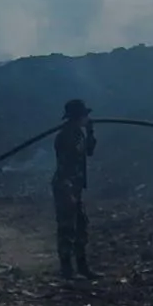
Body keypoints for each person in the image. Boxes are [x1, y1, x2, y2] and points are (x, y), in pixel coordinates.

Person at [52, 99, 96, 280]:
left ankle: (82, 267)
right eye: (85, 115)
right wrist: (68, 190)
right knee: (67, 228)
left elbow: (90, 151)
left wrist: (90, 131)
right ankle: (67, 269)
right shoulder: (65, 136)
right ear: (79, 117)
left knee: (80, 227)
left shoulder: (79, 133)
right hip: (65, 186)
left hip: (75, 186)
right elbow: (66, 165)